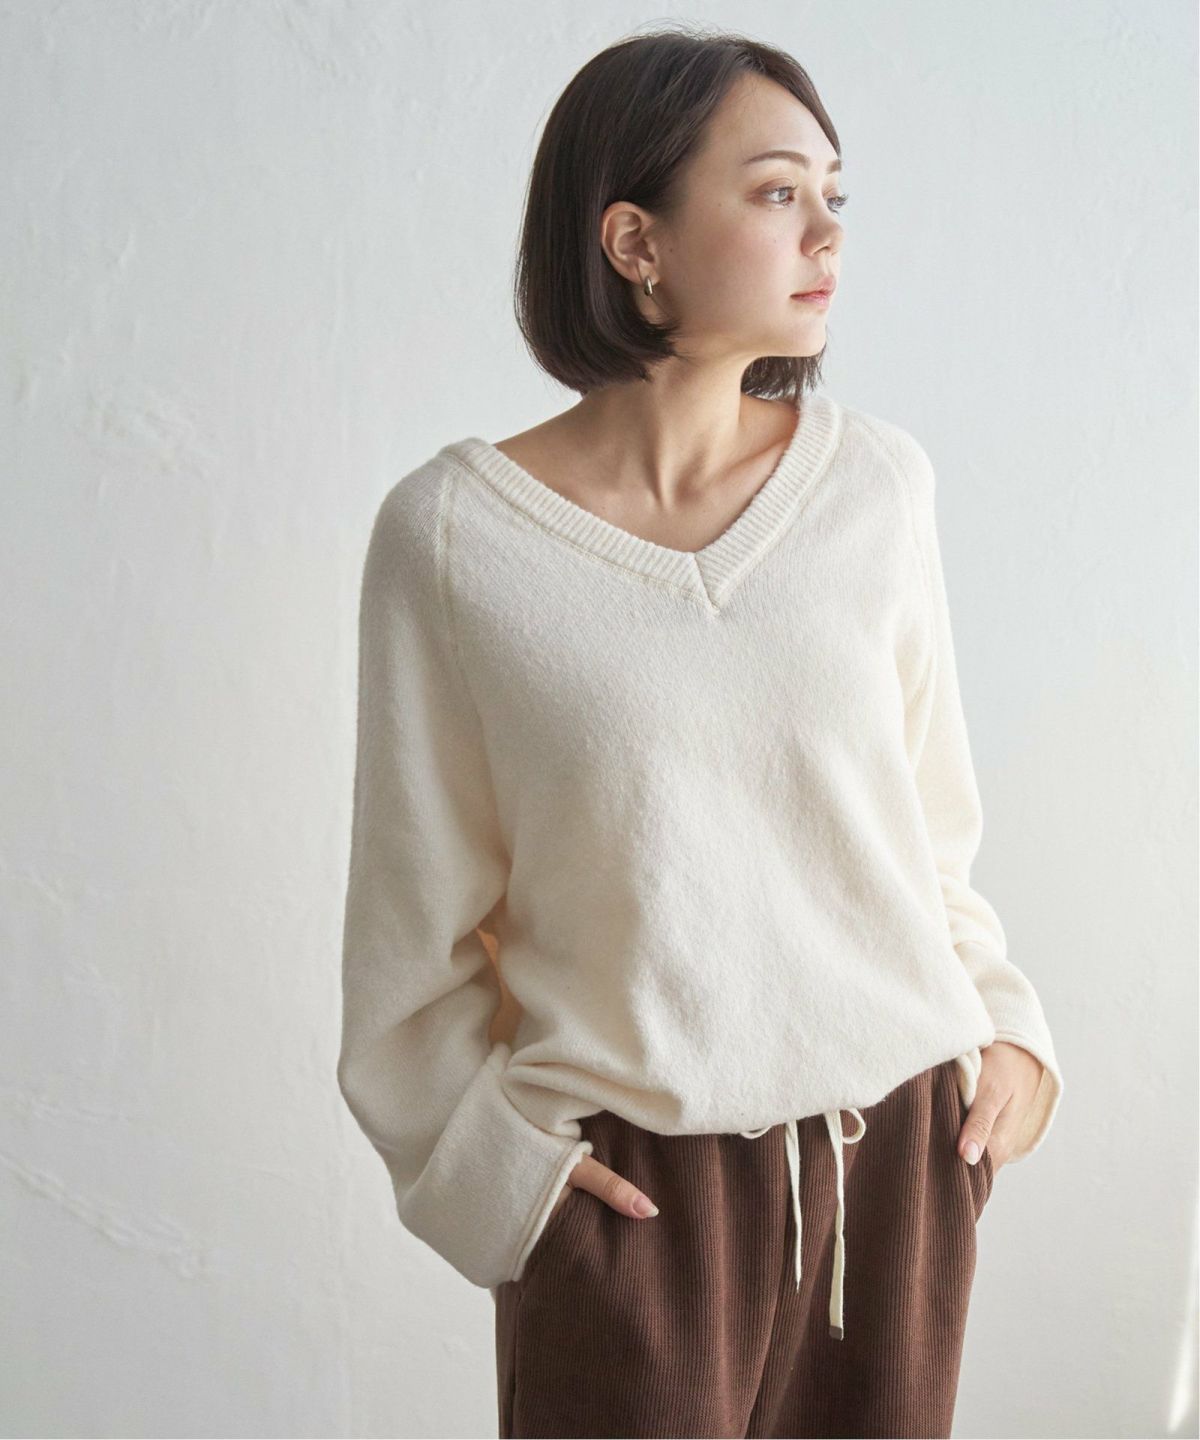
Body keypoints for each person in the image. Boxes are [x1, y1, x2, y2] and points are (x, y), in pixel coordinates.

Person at [336, 23, 1064, 1440]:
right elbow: (410, 938)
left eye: (835, 196)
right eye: (778, 191)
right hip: (633, 1202)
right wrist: (509, 1188)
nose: (827, 234)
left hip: (894, 1166)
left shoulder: (878, 491)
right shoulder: (453, 541)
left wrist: (1008, 1034)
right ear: (635, 240)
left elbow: (926, 839)